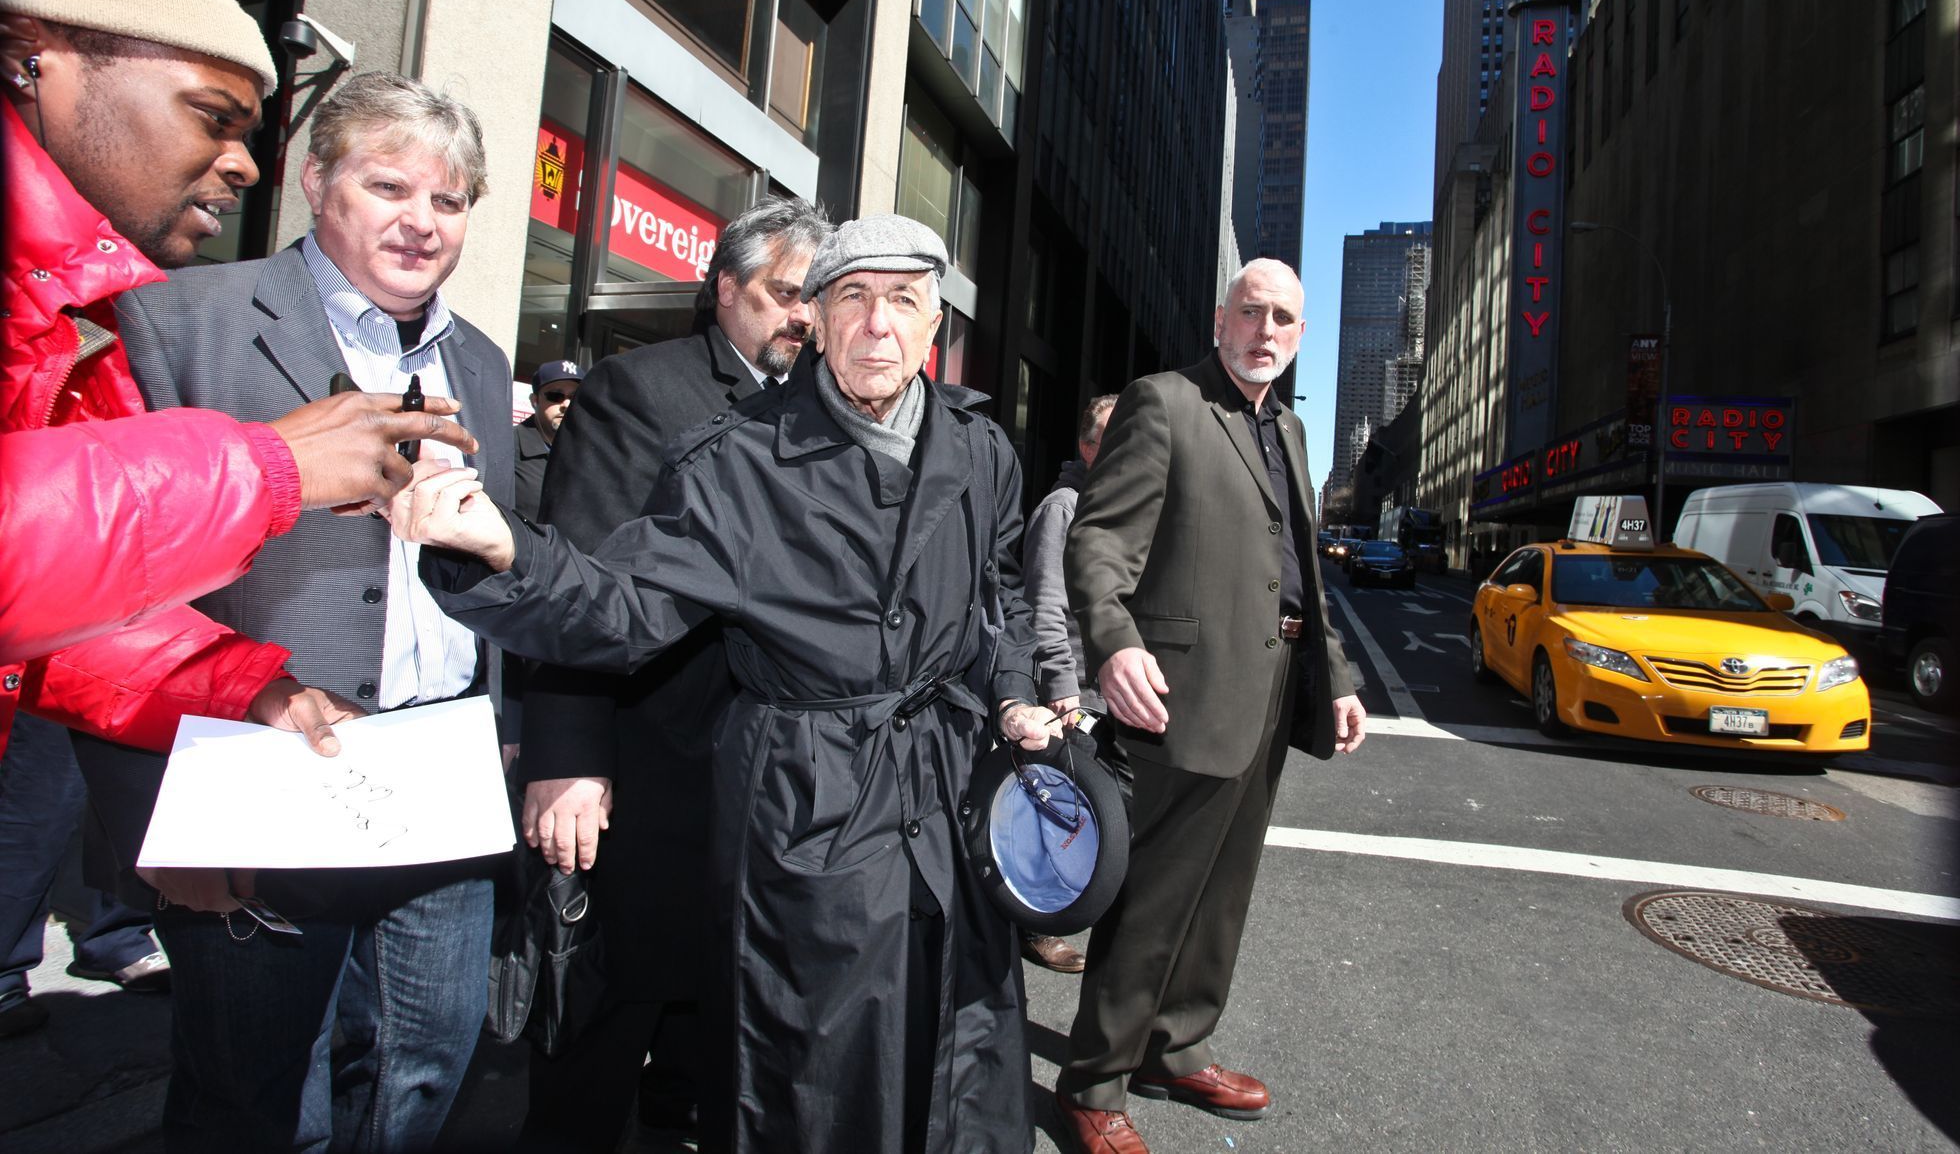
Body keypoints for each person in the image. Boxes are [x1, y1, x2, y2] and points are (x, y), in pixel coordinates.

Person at [398, 214, 1062, 1154]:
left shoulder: (980, 449)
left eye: (903, 301)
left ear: (932, 331)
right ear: (818, 322)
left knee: (960, 1051)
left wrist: (1012, 692)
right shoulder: (738, 459)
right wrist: (502, 551)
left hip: (948, 799)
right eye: (854, 298)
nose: (878, 323)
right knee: (815, 1077)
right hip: (809, 803)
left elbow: (993, 601)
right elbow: (622, 606)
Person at [78, 70, 515, 1152]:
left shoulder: (480, 360)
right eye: (389, 186)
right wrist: (154, 818)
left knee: (429, 1064)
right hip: (258, 763)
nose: (421, 221)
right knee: (260, 1097)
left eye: (449, 201)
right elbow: (103, 594)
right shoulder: (180, 320)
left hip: (441, 767)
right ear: (317, 181)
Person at [0, 0, 477, 760]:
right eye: (211, 114)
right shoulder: (158, 314)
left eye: (449, 201)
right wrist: (267, 470)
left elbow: (66, 618)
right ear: (39, 59)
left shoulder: (69, 303)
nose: (240, 163)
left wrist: (239, 686)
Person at [517, 195, 827, 1150]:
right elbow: (578, 584)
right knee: (611, 1013)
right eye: (783, 294)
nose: (803, 317)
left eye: (817, 298)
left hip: (771, 777)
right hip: (651, 763)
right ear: (726, 289)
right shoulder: (640, 392)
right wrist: (564, 755)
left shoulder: (828, 409)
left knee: (721, 1006)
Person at [1053, 259, 1364, 1154]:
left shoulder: (1293, 431)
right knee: (1152, 898)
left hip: (1269, 690)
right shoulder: (1165, 402)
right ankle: (1094, 1081)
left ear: (1301, 338)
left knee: (1223, 893)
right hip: (1178, 697)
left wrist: (1335, 675)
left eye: (1285, 320)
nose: (1267, 330)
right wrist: (1113, 643)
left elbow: (1302, 567)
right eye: (1252, 311)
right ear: (1221, 316)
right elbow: (1102, 539)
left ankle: (1174, 1044)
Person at [1016, 392, 1120, 977]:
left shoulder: (1125, 507)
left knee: (1097, 812)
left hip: (1113, 693)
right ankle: (1033, 922)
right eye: (1113, 436)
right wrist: (1062, 688)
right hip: (1071, 693)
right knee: (1054, 809)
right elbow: (1044, 606)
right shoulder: (1064, 507)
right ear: (1087, 447)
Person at [0, 713, 168, 1038]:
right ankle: (4, 971)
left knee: (139, 786)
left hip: (151, 665)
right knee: (41, 800)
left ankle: (117, 938)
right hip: (52, 665)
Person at [512, 359, 583, 522]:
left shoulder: (589, 451)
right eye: (555, 395)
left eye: (575, 396)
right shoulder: (506, 446)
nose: (566, 404)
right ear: (534, 401)